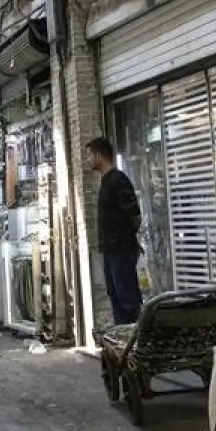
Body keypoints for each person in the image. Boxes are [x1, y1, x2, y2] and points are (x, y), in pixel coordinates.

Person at [87, 137, 143, 324]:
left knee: (127, 297)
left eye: (90, 155)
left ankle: (133, 338)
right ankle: (121, 340)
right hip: (111, 251)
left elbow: (134, 215)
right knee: (115, 295)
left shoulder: (118, 180)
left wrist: (125, 239)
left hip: (121, 250)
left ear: (99, 155)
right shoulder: (105, 181)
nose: (88, 160)